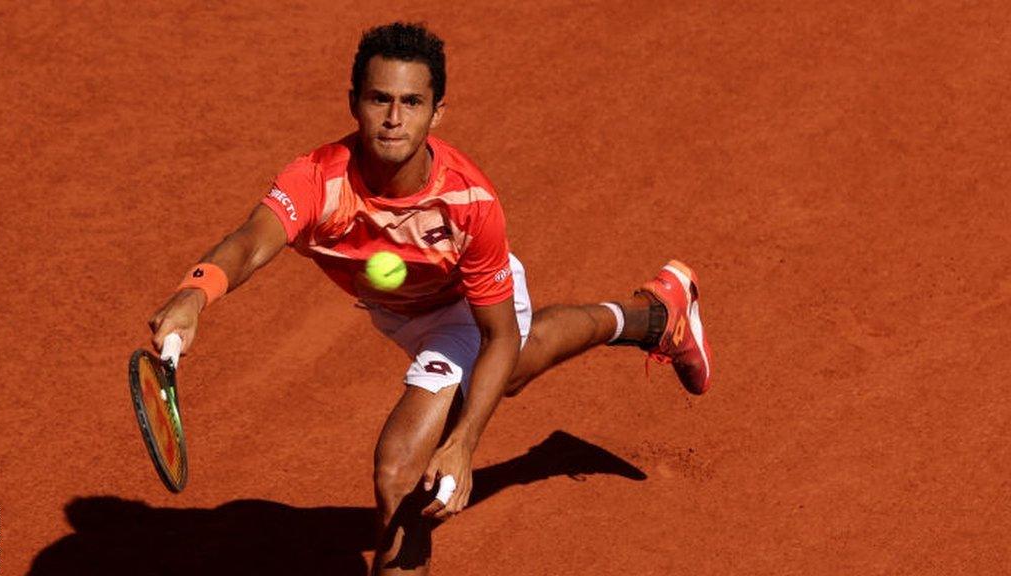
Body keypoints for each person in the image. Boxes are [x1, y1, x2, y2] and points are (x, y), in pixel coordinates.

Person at [147, 21, 712, 575]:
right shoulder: (318, 180)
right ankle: (656, 316)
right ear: (353, 103)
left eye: (412, 103)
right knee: (513, 372)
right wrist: (195, 295)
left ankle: (652, 317)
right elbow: (249, 244)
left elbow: (496, 335)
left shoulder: (470, 201)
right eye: (380, 99)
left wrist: (463, 445)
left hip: (466, 311)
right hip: (396, 314)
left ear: (436, 112)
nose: (394, 120)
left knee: (399, 472)